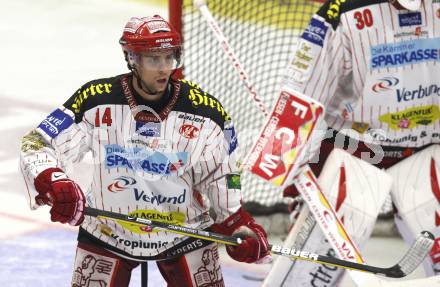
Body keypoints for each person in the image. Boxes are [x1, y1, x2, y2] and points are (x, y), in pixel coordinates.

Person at [19, 15, 270, 287]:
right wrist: (54, 181)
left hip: (184, 233)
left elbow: (221, 175)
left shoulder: (206, 113)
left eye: (169, 58)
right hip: (107, 230)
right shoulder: (95, 99)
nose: (164, 69)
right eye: (154, 59)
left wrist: (237, 223)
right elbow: (37, 143)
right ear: (131, 58)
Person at [264, 0, 440, 285]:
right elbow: (302, 93)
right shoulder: (341, 14)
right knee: (307, 275)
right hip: (353, 150)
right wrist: (286, 164)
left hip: (426, 148)